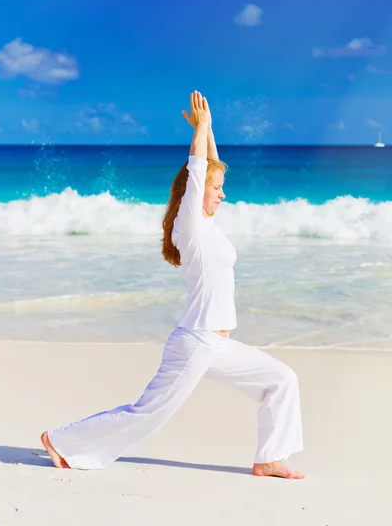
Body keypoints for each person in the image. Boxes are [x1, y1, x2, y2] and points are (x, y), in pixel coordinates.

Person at [41, 91, 304, 478]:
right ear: (198, 192)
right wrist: (199, 133)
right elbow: (199, 169)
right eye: (217, 189)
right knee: (147, 414)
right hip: (194, 342)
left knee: (281, 380)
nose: (223, 193)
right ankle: (60, 439)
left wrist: (209, 127)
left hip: (217, 343)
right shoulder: (190, 226)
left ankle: (268, 459)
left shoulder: (207, 225)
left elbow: (210, 166)